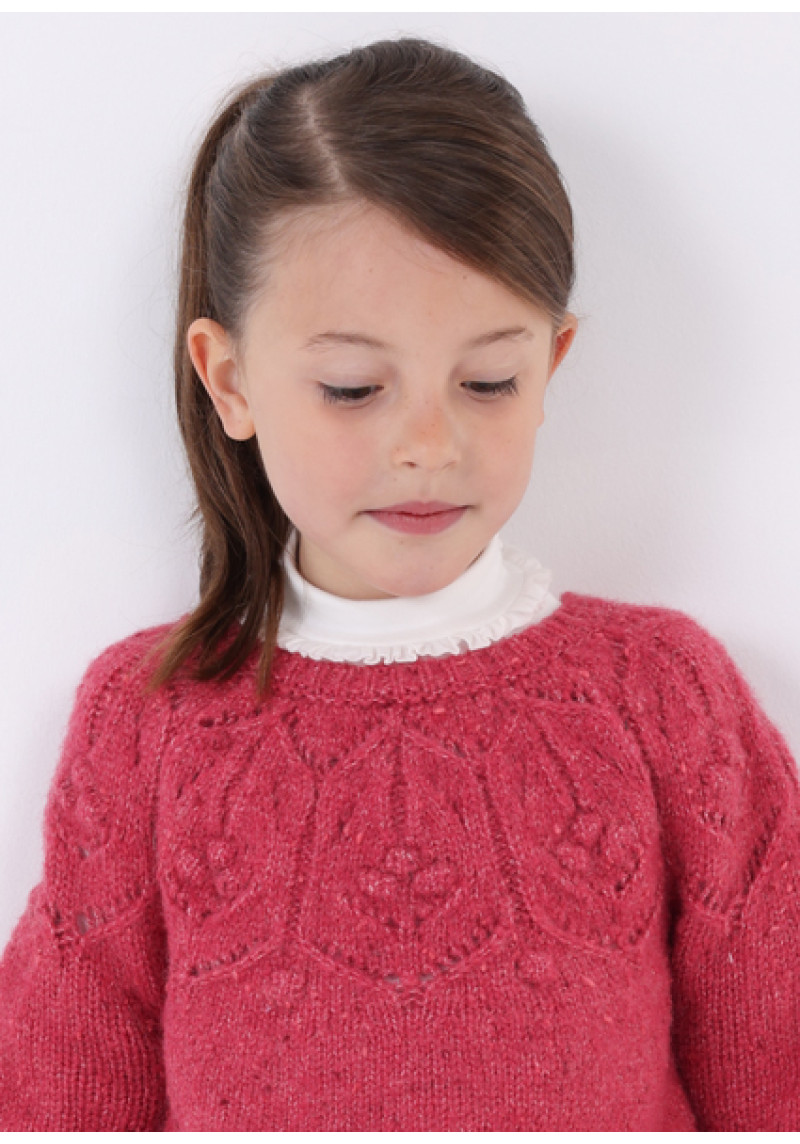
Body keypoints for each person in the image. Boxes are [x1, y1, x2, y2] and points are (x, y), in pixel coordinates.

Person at [0, 35, 798, 1132]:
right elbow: (54, 1102)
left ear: (551, 366)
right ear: (231, 381)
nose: (428, 445)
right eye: (351, 387)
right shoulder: (146, 723)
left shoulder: (664, 695)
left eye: (488, 380)